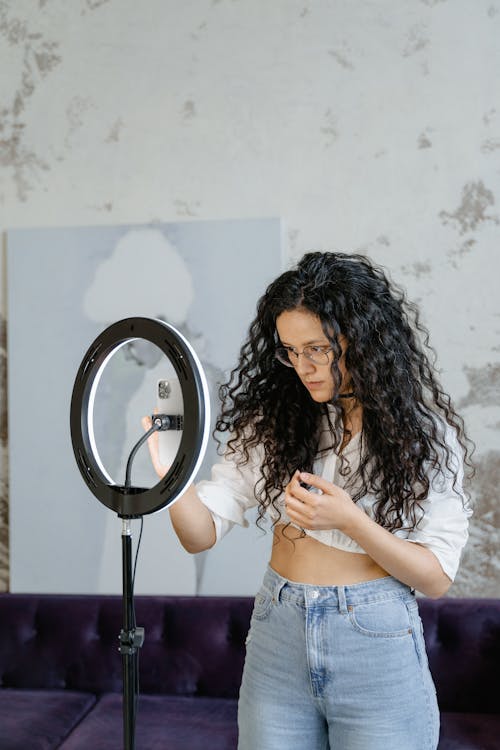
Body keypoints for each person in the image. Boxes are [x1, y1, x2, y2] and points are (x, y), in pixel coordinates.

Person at [144, 251, 473, 750]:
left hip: (375, 639)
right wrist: (170, 471)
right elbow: (199, 535)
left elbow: (435, 578)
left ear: (360, 339)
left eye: (318, 348)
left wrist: (350, 520)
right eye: (291, 351)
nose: (303, 366)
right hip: (279, 636)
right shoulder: (279, 420)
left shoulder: (422, 436)